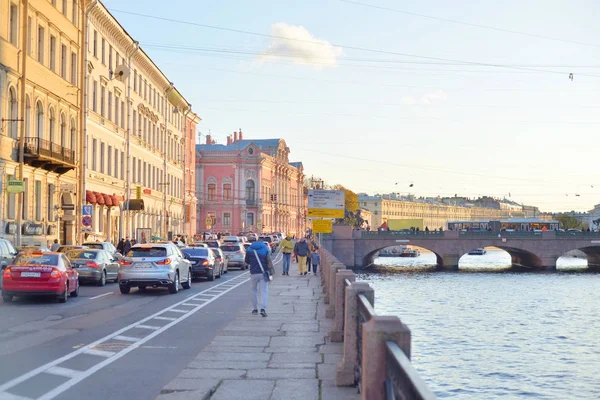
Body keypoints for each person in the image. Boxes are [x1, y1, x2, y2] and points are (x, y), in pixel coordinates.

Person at [245, 239, 273, 317]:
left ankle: (255, 309)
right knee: (264, 291)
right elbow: (269, 260)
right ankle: (263, 309)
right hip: (263, 272)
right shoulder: (265, 248)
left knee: (254, 290)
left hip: (253, 273)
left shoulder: (249, 249)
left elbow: (246, 261)